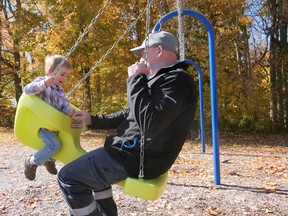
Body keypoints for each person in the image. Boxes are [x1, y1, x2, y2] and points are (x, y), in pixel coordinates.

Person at [58, 31, 197, 216]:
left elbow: (150, 124)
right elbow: (132, 113)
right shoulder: (164, 79)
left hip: (137, 158)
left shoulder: (177, 80)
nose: (141, 58)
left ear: (160, 50)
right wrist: (93, 119)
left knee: (68, 177)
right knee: (94, 178)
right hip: (133, 153)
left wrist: (135, 78)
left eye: (144, 53)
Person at [23, 55, 75, 181]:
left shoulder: (60, 91)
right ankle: (31, 162)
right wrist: (44, 84)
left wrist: (69, 111)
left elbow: (63, 105)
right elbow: (27, 90)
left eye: (67, 75)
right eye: (62, 74)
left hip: (54, 126)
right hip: (43, 125)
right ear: (50, 72)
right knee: (54, 146)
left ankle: (49, 160)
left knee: (63, 143)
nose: (65, 78)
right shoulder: (42, 82)